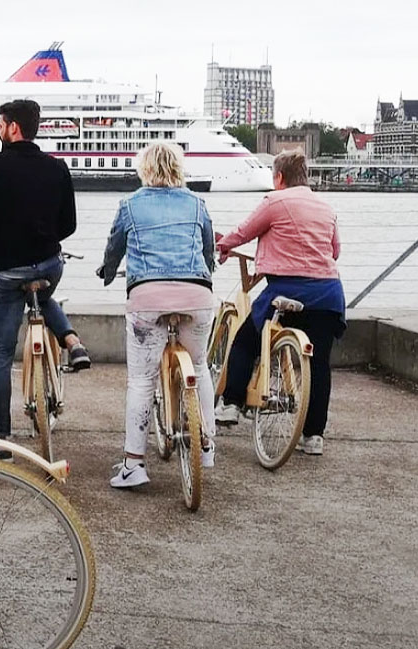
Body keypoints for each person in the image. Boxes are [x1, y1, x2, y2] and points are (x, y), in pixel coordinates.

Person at [0, 98, 90, 459]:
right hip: (48, 265)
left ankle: (0, 441)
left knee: (0, 355)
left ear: (13, 128)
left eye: (0, 125)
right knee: (44, 295)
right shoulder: (57, 168)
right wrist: (43, 241)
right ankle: (71, 341)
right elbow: (69, 224)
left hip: (7, 270)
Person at [97, 142, 217, 488]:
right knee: (199, 367)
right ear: (179, 168)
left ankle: (133, 464)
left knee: (141, 381)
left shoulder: (130, 205)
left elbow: (115, 247)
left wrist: (107, 272)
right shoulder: (197, 203)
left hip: (147, 299)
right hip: (196, 295)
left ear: (144, 169)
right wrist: (206, 271)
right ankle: (207, 447)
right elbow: (208, 248)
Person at [214, 149, 344, 456]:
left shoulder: (275, 201)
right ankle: (313, 437)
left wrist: (222, 245)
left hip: (287, 290)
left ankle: (231, 404)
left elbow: (244, 232)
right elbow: (335, 251)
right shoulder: (326, 207)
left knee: (245, 341)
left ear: (280, 177)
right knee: (320, 365)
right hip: (328, 294)